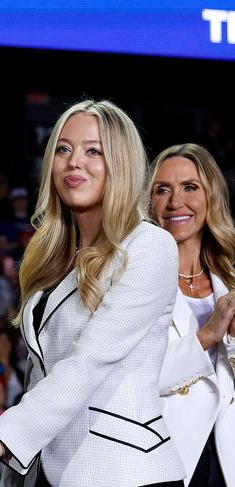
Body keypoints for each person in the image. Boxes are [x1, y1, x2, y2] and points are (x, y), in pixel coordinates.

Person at [0, 99, 186, 486]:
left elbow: (88, 360)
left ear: (120, 163)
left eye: (94, 151)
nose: (74, 162)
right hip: (45, 469)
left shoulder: (150, 246)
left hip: (122, 472)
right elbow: (40, 376)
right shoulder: (50, 253)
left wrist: (2, 437)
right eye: (63, 149)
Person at [148, 143, 235, 486]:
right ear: (148, 201)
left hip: (227, 458)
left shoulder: (230, 277)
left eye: (190, 187)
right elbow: (133, 381)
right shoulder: (131, 279)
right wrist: (206, 336)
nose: (175, 203)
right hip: (166, 457)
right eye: (162, 189)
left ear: (211, 196)